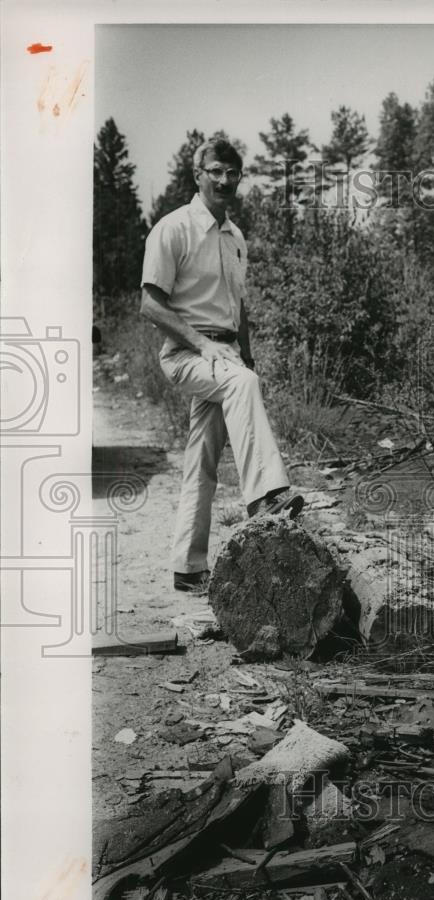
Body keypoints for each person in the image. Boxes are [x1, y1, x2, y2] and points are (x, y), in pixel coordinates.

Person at [140, 138, 303, 593]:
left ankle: (188, 568)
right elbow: (150, 306)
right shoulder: (173, 229)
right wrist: (203, 347)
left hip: (226, 356)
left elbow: (239, 308)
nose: (225, 180)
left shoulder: (235, 238)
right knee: (239, 384)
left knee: (202, 460)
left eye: (233, 173)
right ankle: (266, 497)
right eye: (216, 171)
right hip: (186, 354)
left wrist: (245, 357)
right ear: (198, 175)